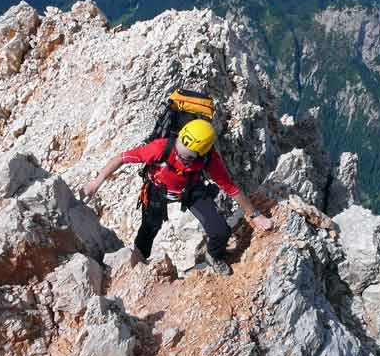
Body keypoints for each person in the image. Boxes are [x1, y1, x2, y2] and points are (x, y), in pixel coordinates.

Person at [81, 118, 273, 275]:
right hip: (158, 189)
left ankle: (213, 256)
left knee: (220, 231)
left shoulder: (209, 158)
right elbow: (121, 158)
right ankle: (139, 267)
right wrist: (95, 184)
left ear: (201, 155)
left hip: (190, 190)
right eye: (179, 152)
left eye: (187, 157)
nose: (180, 158)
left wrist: (255, 215)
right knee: (148, 229)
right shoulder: (161, 148)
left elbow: (230, 188)